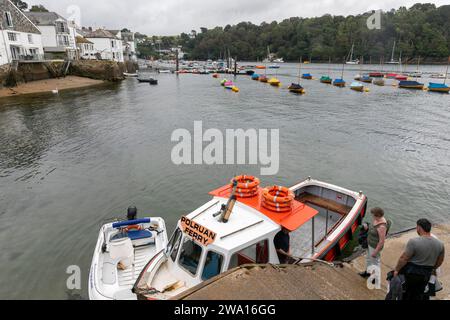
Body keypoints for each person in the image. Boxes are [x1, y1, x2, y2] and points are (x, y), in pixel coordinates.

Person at [394, 219, 445, 300]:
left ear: (419, 228)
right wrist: (433, 268)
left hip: (412, 273)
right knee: (421, 293)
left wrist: (396, 270)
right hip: (426, 274)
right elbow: (440, 261)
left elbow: (404, 258)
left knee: (408, 294)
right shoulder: (440, 244)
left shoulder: (413, 241)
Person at [359, 207, 391, 278]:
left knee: (375, 262)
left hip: (374, 246)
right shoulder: (376, 219)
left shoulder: (382, 226)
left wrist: (376, 251)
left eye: (373, 215)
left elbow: (382, 241)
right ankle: (368, 272)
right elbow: (373, 228)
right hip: (369, 243)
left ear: (378, 215)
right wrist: (367, 227)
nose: (372, 216)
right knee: (368, 258)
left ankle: (375, 278)